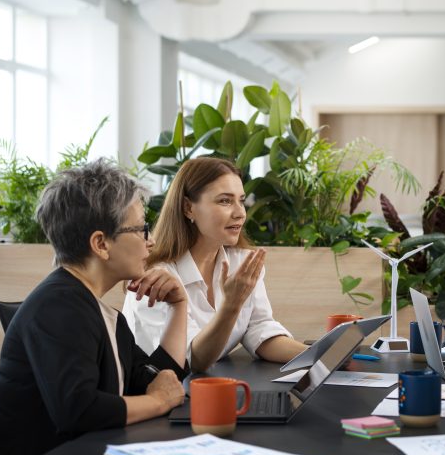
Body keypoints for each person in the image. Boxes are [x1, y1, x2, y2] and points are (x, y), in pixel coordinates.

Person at [0, 160, 189, 455]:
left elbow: (159, 378)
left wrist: (179, 307)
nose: (150, 241)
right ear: (101, 243)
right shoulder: (58, 306)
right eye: (141, 229)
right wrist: (158, 401)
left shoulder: (102, 314)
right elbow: (79, 410)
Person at [122, 157, 307, 373]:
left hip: (206, 388)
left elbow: (260, 329)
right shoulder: (156, 279)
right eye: (225, 201)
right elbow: (192, 360)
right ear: (188, 208)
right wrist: (231, 305)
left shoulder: (241, 262)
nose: (240, 213)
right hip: (157, 395)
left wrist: (321, 356)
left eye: (241, 200)